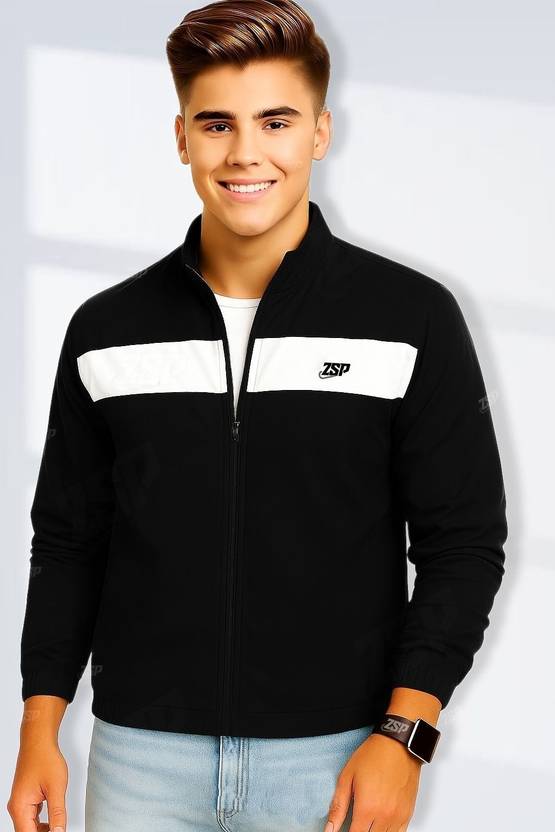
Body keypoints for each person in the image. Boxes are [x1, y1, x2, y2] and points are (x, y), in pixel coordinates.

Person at [7, 1, 508, 831]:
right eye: (217, 125)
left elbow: (462, 544)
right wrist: (38, 730)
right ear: (181, 138)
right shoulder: (107, 330)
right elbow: (67, 542)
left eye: (275, 122)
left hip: (333, 757)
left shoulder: (409, 318)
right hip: (139, 761)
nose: (245, 152)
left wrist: (405, 734)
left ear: (320, 132)